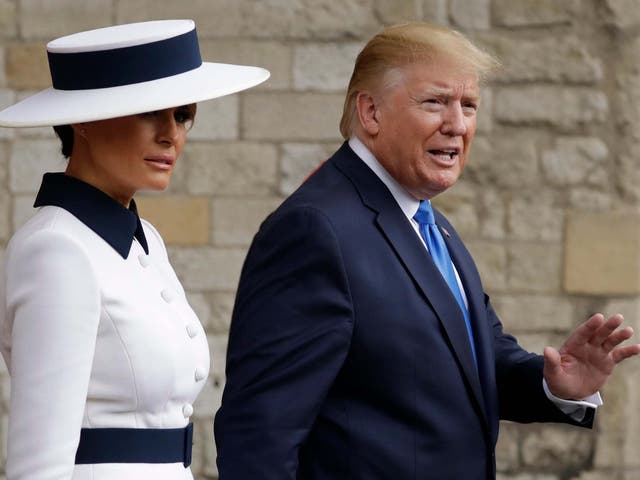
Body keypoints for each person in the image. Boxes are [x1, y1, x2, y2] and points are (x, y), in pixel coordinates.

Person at [214, 23, 640, 479]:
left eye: (469, 105)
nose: (457, 125)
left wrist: (553, 384)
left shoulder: (430, 223)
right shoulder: (313, 231)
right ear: (371, 112)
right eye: (435, 102)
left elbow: (475, 359)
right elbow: (258, 434)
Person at [0, 19, 269, 480]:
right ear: (82, 118)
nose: (171, 134)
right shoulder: (56, 251)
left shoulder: (144, 239)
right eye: (150, 112)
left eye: (182, 115)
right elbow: (37, 465)